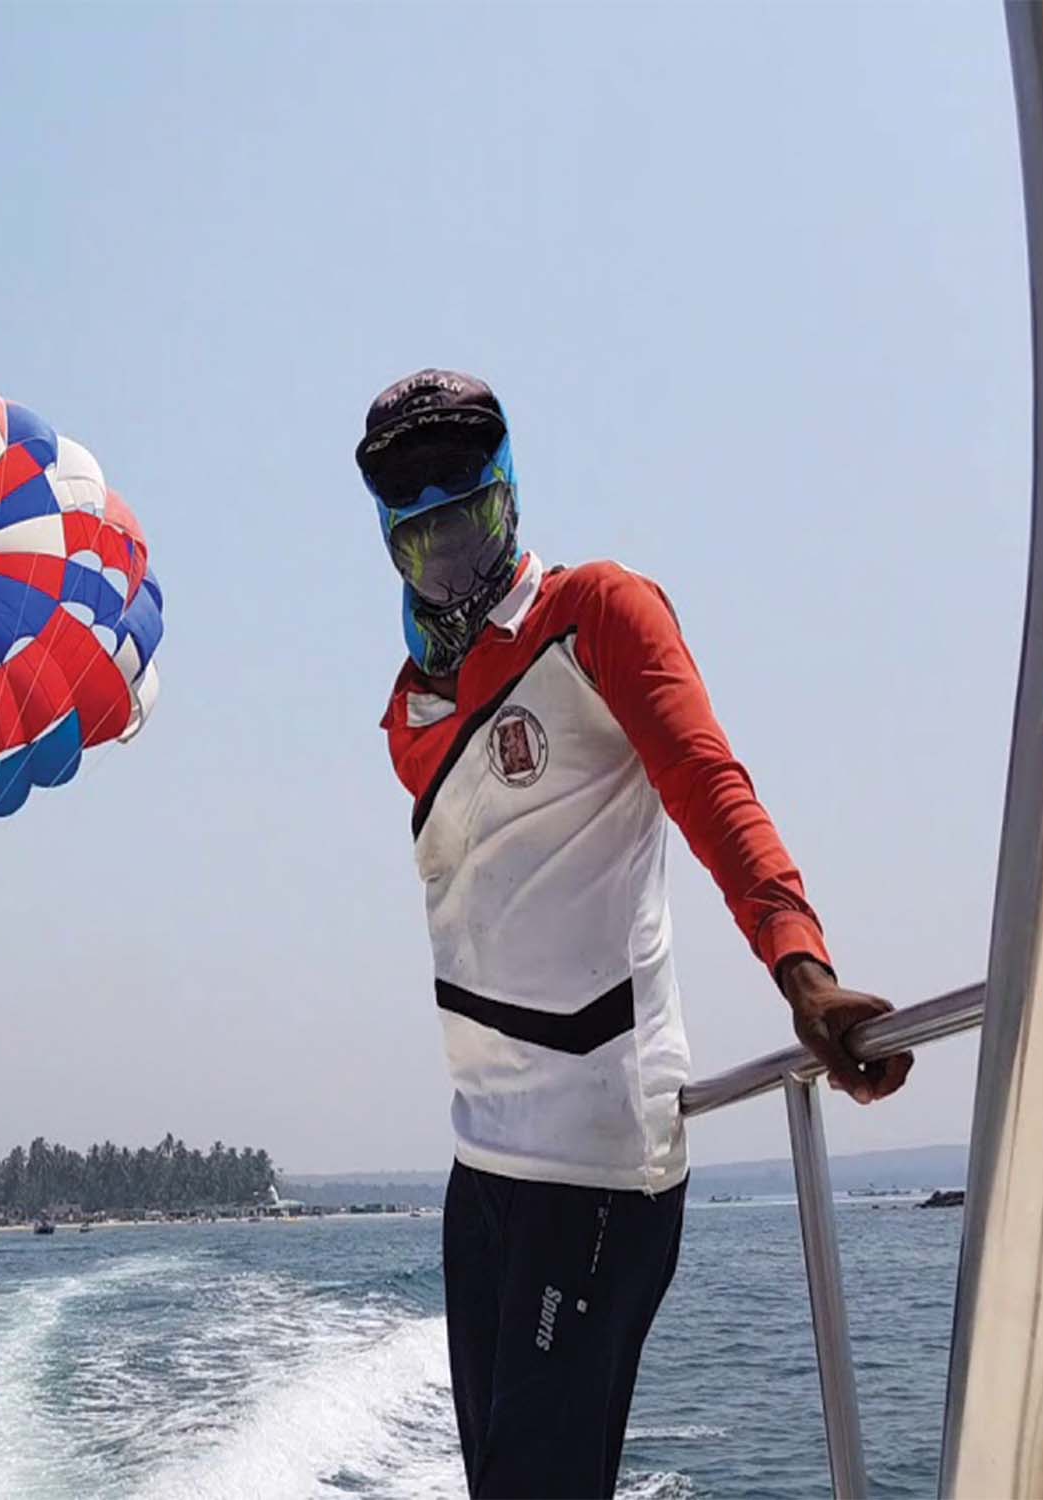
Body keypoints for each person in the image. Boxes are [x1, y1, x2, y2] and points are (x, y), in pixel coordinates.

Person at [359, 369, 914, 1499]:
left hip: (597, 1162)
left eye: (468, 513)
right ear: (393, 546)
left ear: (508, 496)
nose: (450, 547)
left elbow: (711, 786)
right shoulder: (409, 715)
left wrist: (801, 972)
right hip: (484, 1165)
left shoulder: (598, 613)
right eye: (423, 534)